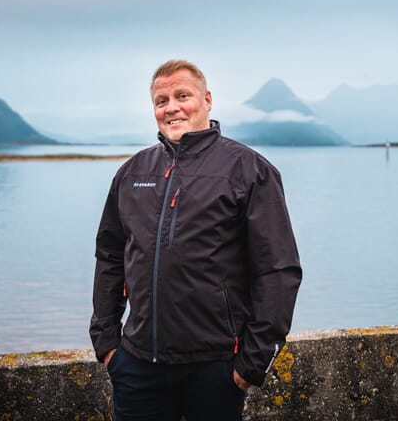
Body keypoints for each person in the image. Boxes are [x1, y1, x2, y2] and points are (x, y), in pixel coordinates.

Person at [90, 59, 302, 421]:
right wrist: (108, 343)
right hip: (138, 368)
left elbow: (277, 272)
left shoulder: (249, 170)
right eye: (161, 100)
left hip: (215, 370)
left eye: (181, 95)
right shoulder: (132, 173)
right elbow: (110, 258)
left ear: (206, 100)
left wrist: (250, 365)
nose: (171, 107)